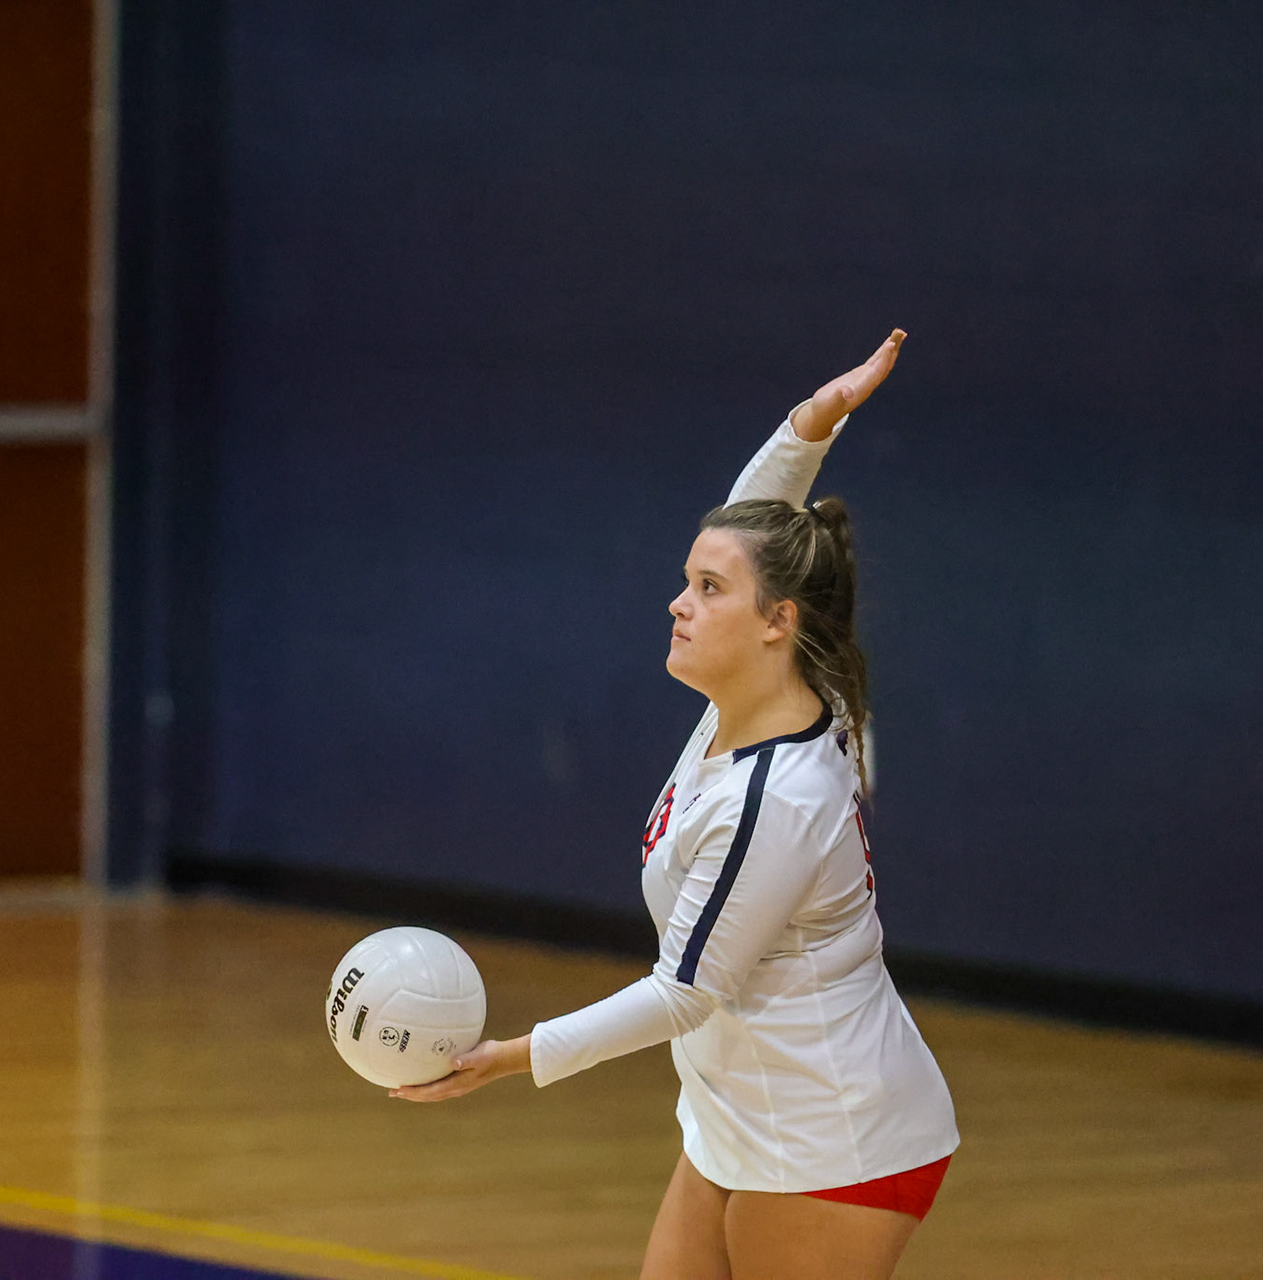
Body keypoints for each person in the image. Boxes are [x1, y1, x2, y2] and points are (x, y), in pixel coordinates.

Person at [391, 331, 958, 1280]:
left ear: (777, 623)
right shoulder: (771, 695)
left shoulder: (777, 795)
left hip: (832, 1137)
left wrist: (513, 1057)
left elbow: (686, 991)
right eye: (686, 581)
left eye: (706, 590)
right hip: (743, 1115)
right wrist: (810, 425)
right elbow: (765, 539)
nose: (678, 604)